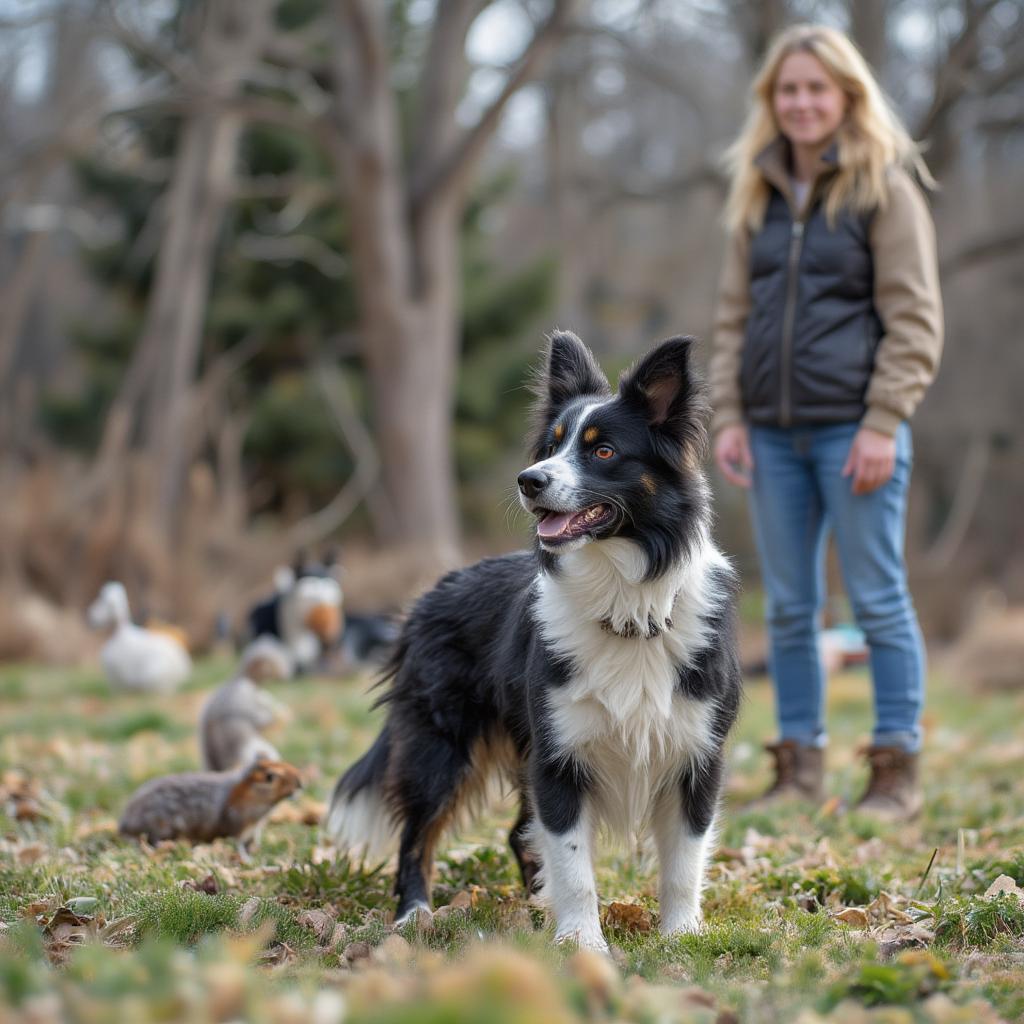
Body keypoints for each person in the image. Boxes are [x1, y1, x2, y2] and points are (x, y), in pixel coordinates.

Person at [709, 24, 943, 822]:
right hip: (771, 438)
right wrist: (730, 415)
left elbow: (913, 320)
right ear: (770, 101)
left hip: (856, 432)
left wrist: (884, 421)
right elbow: (734, 318)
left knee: (877, 600)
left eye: (816, 88)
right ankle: (799, 767)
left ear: (847, 95)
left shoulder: (885, 188)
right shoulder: (756, 195)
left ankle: (893, 773)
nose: (802, 103)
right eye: (788, 90)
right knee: (787, 607)